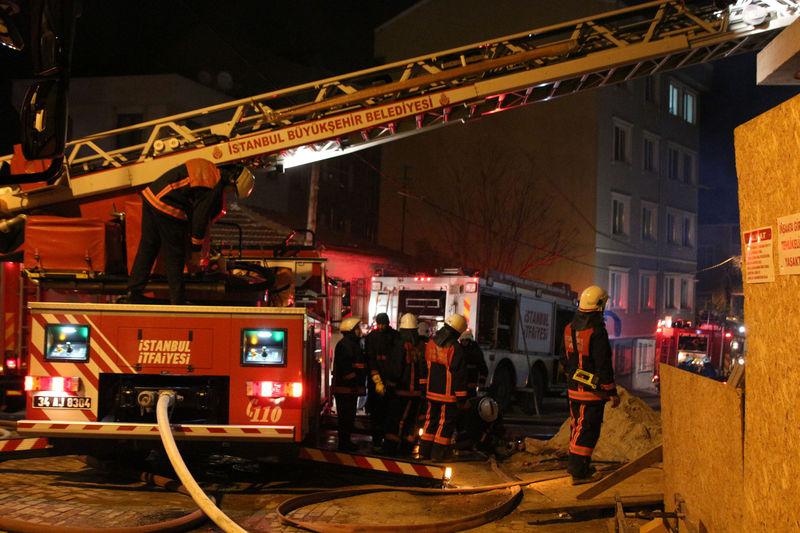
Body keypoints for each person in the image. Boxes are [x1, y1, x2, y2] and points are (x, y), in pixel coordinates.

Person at [126, 158, 255, 304]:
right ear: (232, 181)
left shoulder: (211, 171)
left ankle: (134, 292)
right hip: (168, 205)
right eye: (232, 191)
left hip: (152, 197)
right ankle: (178, 300)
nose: (229, 193)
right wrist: (196, 249)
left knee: (148, 248)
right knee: (175, 255)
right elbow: (200, 218)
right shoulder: (213, 184)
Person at [563, 285, 620, 485]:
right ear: (600, 305)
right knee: (588, 430)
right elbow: (603, 363)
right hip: (591, 392)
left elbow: (568, 358)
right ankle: (579, 472)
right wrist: (611, 390)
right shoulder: (597, 332)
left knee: (576, 426)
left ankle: (579, 465)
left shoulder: (569, 328)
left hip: (573, 387)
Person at [419, 313, 468, 462]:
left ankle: (424, 452)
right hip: (448, 395)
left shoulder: (432, 343)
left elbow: (424, 365)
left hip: (430, 392)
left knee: (429, 421)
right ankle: (437, 455)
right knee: (445, 424)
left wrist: (423, 387)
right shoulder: (455, 347)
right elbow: (459, 373)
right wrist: (461, 397)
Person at [383, 313, 426, 455]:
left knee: (395, 421)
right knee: (410, 423)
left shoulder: (400, 346)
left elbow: (395, 370)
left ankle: (391, 449)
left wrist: (389, 387)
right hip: (416, 395)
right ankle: (406, 449)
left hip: (401, 393)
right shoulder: (419, 347)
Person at [364, 312, 398, 451]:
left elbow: (396, 360)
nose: (381, 326)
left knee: (388, 413)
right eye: (379, 324)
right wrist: (376, 378)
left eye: (383, 324)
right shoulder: (372, 337)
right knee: (376, 413)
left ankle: (386, 440)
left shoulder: (394, 336)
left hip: (389, 380)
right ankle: (377, 440)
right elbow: (370, 358)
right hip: (376, 380)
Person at [332, 317, 366, 452]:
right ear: (352, 329)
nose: (360, 330)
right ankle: (344, 444)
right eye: (358, 328)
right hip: (345, 388)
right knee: (345, 418)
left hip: (350, 388)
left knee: (349, 417)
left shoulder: (351, 344)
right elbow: (347, 368)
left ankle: (346, 442)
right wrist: (354, 381)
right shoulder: (346, 345)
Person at [456, 328, 489, 449]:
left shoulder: (475, 352)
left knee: (469, 412)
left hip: (469, 388)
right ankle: (461, 432)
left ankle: (467, 434)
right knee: (459, 412)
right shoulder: (459, 350)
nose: (464, 343)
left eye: (466, 341)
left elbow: (483, 369)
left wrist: (480, 384)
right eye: (462, 341)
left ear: (469, 341)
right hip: (460, 388)